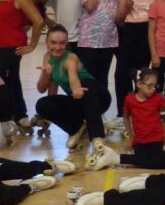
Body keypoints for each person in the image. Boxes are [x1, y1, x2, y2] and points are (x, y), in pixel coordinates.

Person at [34, 25, 113, 166]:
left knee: (87, 84)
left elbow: (73, 77)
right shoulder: (47, 56)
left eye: (62, 43)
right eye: (53, 42)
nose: (57, 47)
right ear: (47, 42)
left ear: (67, 43)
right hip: (80, 100)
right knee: (42, 104)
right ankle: (76, 128)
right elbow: (42, 89)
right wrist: (46, 74)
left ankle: (97, 138)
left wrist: (76, 90)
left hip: (98, 98)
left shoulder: (71, 58)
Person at [90, 68, 165, 170]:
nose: (153, 89)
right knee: (145, 161)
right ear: (139, 84)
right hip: (140, 140)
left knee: (154, 162)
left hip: (157, 138)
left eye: (155, 86)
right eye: (150, 85)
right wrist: (131, 136)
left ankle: (116, 158)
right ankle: (113, 157)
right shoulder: (130, 99)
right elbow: (125, 117)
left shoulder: (158, 98)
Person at [113, 0, 158, 120]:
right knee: (122, 73)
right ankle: (122, 111)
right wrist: (127, 6)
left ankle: (142, 108)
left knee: (143, 74)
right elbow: (118, 19)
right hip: (129, 32)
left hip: (147, 33)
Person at [76, 0, 121, 115]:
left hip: (108, 41)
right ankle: (87, 112)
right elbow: (90, 7)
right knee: (88, 79)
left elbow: (118, 17)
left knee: (102, 79)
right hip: (88, 41)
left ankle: (100, 113)